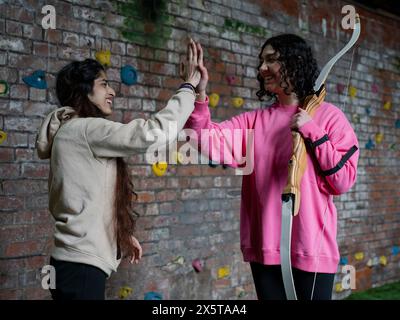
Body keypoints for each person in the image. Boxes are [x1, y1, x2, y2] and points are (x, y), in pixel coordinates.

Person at [185, 34, 359, 300]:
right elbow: (204, 138)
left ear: (294, 62)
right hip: (266, 250)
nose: (261, 69)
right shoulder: (253, 121)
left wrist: (311, 130)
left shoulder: (330, 118)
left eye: (271, 60)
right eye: (261, 62)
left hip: (312, 250)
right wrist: (198, 94)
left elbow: (343, 180)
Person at [36, 39, 202, 300]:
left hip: (72, 261)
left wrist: (119, 235)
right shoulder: (85, 129)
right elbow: (152, 133)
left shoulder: (71, 131)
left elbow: (88, 196)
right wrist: (188, 88)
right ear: (83, 91)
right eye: (103, 84)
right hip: (81, 266)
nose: (111, 91)